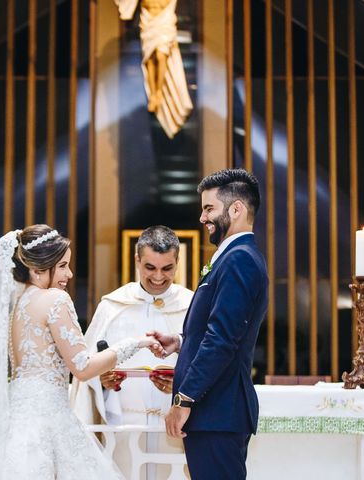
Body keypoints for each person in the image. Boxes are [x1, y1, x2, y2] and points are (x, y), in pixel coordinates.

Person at [0, 225, 160, 480]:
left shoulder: (19, 304)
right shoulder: (56, 299)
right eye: (62, 266)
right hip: (46, 421)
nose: (70, 274)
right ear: (37, 268)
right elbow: (83, 368)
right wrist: (134, 343)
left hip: (16, 419)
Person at [149, 169, 269, 480]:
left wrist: (184, 399)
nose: (202, 218)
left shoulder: (239, 259)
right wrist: (182, 340)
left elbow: (222, 340)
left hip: (217, 411)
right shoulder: (233, 257)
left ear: (236, 209)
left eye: (208, 208)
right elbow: (218, 330)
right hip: (216, 413)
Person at [71, 225, 193, 479]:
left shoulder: (192, 306)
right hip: (123, 429)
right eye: (150, 267)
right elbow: (85, 371)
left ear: (177, 262)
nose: (158, 277)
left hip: (175, 431)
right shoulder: (112, 307)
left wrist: (180, 383)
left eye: (167, 268)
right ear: (137, 260)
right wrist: (102, 382)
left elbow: (208, 366)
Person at [115, 0, 193, 138]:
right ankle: (153, 95)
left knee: (161, 55)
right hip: (149, 22)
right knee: (150, 60)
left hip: (163, 22)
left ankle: (158, 91)